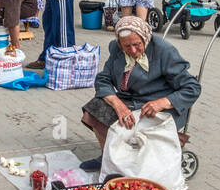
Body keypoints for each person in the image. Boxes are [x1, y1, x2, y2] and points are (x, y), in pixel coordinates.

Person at [77, 15, 201, 172]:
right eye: (127, 46)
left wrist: (163, 102)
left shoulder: (163, 51)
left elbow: (192, 87)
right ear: (120, 44)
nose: (133, 51)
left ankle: (133, 158)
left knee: (124, 123)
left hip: (160, 106)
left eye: (137, 44)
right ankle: (108, 157)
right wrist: (117, 104)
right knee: (95, 109)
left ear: (145, 38)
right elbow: (103, 79)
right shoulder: (116, 49)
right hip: (129, 102)